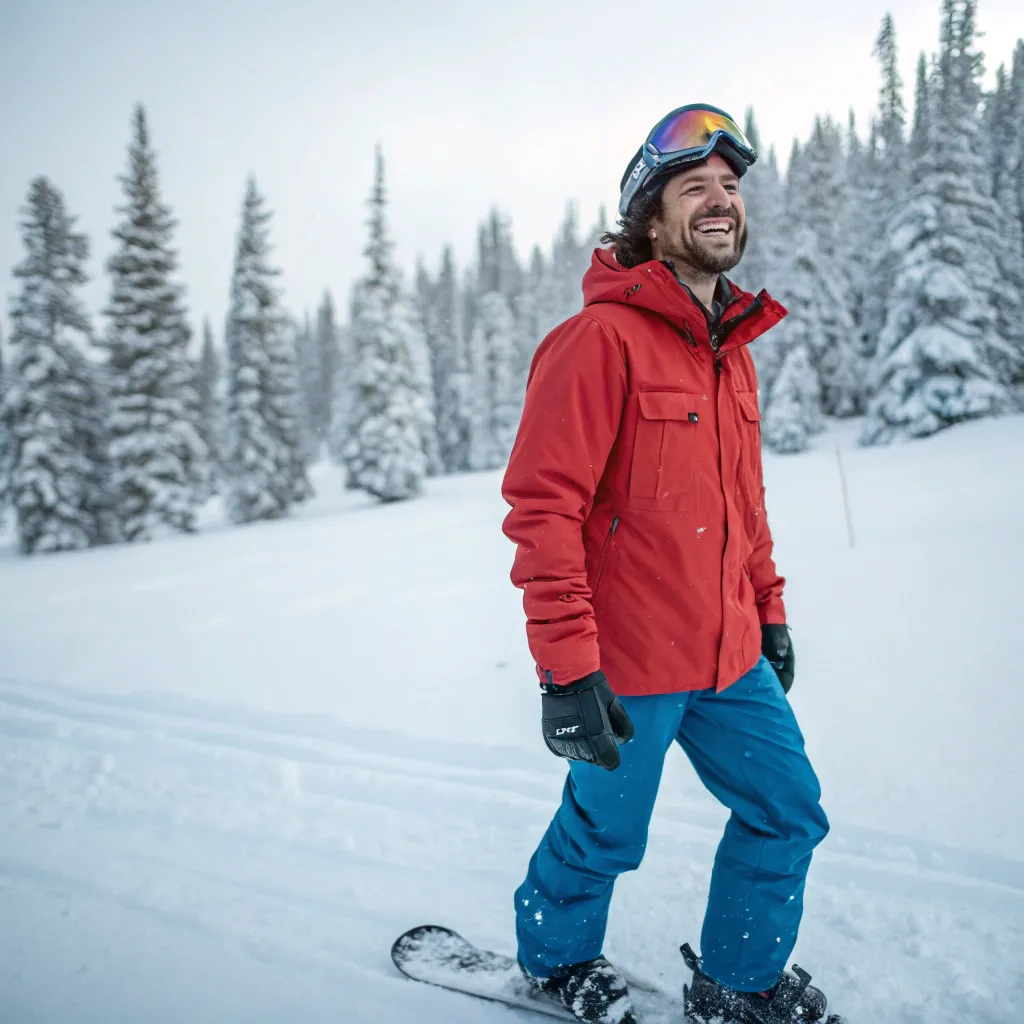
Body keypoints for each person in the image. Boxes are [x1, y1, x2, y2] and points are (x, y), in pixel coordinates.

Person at [500, 105, 836, 1024]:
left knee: (789, 812)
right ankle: (557, 961)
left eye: (731, 187)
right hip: (630, 664)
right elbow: (544, 509)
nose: (722, 202)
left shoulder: (732, 354)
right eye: (697, 189)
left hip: (730, 655)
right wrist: (568, 670)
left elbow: (743, 506)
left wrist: (769, 611)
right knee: (605, 835)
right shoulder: (596, 344)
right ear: (650, 218)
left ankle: (736, 981)